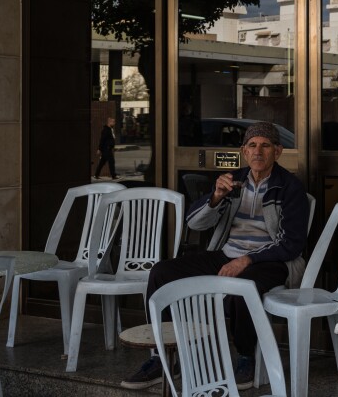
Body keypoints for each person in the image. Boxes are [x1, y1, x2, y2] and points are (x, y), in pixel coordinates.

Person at [121, 122, 309, 391]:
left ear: (277, 151)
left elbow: (291, 244)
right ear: (244, 151)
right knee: (162, 272)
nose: (258, 151)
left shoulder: (289, 187)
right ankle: (163, 356)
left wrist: (247, 260)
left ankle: (246, 355)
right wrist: (216, 197)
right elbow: (194, 224)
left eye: (265, 145)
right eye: (252, 145)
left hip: (272, 261)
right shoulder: (233, 181)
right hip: (227, 254)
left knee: (244, 287)